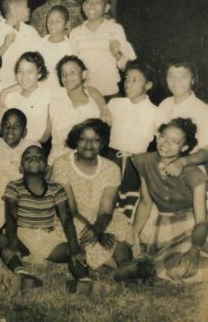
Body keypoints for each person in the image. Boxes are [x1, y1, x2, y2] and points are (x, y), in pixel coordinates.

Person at [118, 118, 208, 283]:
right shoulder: (145, 161)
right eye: (163, 136)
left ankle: (151, 268)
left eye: (174, 141)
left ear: (185, 147)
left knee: (187, 263)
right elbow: (146, 202)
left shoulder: (194, 174)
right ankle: (153, 267)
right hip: (164, 226)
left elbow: (202, 221)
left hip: (194, 226)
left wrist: (194, 249)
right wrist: (134, 236)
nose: (165, 144)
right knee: (178, 269)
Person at [1, 145, 94, 291]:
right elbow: (11, 217)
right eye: (28, 157)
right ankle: (21, 274)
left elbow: (66, 219)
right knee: (3, 240)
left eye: (39, 157)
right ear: (21, 168)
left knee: (75, 251)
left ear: (47, 168)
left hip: (47, 237)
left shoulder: (56, 188)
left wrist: (75, 247)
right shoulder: (14, 186)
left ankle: (84, 281)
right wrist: (13, 244)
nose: (34, 158)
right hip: (22, 236)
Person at [51, 119, 132, 271]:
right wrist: (97, 234)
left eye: (95, 140)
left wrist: (99, 228)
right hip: (71, 220)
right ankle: (120, 271)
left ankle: (126, 266)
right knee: (88, 240)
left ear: (102, 144)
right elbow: (70, 211)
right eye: (83, 139)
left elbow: (106, 211)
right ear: (76, 141)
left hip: (101, 219)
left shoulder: (112, 168)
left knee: (120, 240)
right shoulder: (61, 164)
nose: (88, 144)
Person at [105, 61, 158, 218]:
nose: (128, 84)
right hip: (110, 159)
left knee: (127, 206)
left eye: (135, 80)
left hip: (135, 165)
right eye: (127, 79)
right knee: (107, 201)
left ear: (148, 85)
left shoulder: (155, 111)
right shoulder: (115, 103)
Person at [69, 0, 136, 97]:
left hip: (110, 92)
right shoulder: (75, 33)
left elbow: (130, 65)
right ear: (83, 6)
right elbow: (72, 66)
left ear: (106, 8)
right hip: (85, 94)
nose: (92, 5)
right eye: (88, 1)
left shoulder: (116, 29)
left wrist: (118, 54)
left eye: (98, 3)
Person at [0, 52, 53, 145]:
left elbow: (46, 136)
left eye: (30, 72)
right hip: (10, 144)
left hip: (36, 146)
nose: (24, 76)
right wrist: (4, 92)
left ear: (39, 73)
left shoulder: (48, 94)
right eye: (20, 71)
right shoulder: (11, 96)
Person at [48, 56, 105, 164]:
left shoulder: (94, 105)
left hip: (85, 164)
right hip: (56, 162)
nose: (67, 77)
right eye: (63, 74)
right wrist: (4, 93)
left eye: (72, 72)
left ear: (84, 74)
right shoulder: (55, 98)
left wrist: (104, 108)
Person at [155, 61, 208, 175]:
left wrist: (181, 163)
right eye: (171, 76)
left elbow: (206, 151)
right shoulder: (165, 104)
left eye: (183, 77)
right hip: (161, 165)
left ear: (193, 80)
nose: (176, 81)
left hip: (189, 169)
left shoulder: (203, 110)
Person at [0, 0, 42, 86]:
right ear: (16, 10)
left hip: (27, 85)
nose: (29, 9)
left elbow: (41, 55)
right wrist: (5, 45)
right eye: (26, 6)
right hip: (3, 84)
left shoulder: (30, 31)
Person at [0, 109, 38, 186]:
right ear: (0, 129)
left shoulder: (31, 147)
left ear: (24, 132)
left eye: (16, 126)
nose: (10, 129)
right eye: (6, 125)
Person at [38, 5, 76, 88]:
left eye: (58, 21)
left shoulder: (71, 47)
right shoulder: (39, 44)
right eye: (49, 21)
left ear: (67, 24)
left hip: (61, 90)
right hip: (41, 89)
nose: (52, 24)